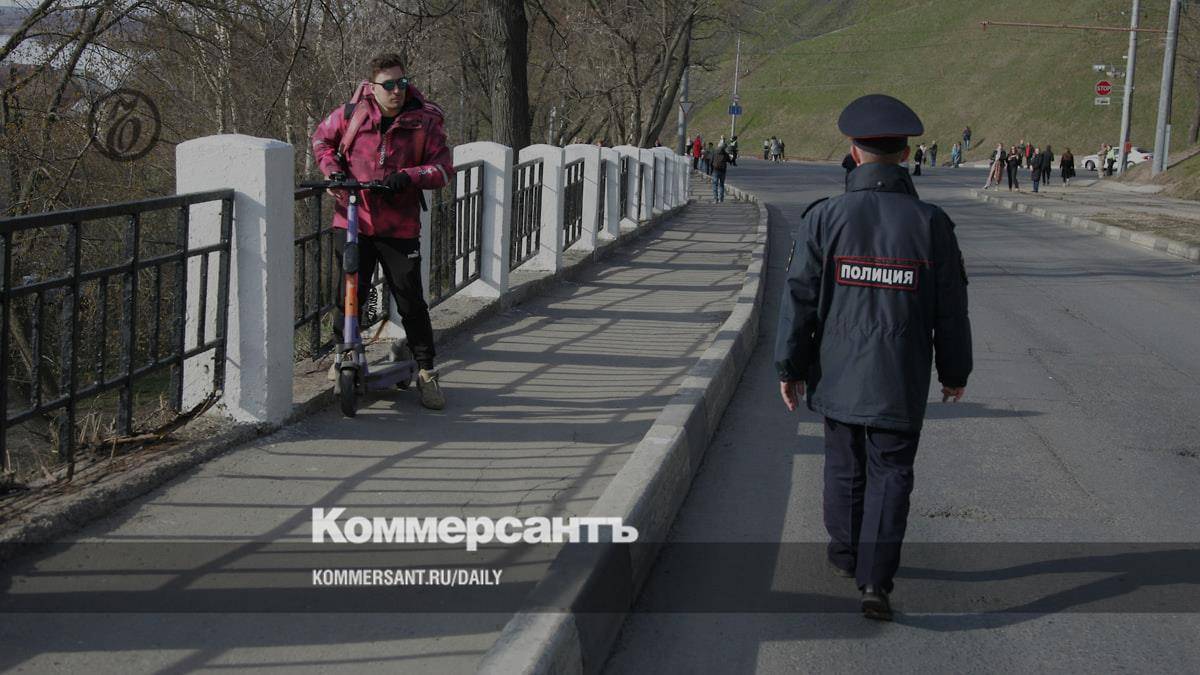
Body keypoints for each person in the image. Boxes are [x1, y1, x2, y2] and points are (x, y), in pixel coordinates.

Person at [776, 93, 972, 622]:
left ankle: (844, 553)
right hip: (900, 376)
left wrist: (789, 368)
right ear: (907, 154)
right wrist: (955, 372)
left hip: (838, 370)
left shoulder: (824, 219)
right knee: (892, 472)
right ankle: (875, 581)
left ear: (854, 151)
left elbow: (799, 299)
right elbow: (951, 309)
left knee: (844, 464)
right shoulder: (932, 224)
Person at [312, 52, 453, 410]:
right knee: (350, 293)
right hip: (352, 218)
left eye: (401, 83)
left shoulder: (424, 121)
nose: (396, 91)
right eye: (388, 85)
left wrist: (407, 177)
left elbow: (442, 169)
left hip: (398, 225)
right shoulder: (350, 115)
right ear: (372, 87)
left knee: (409, 300)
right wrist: (332, 173)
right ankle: (344, 354)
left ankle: (426, 372)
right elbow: (321, 142)